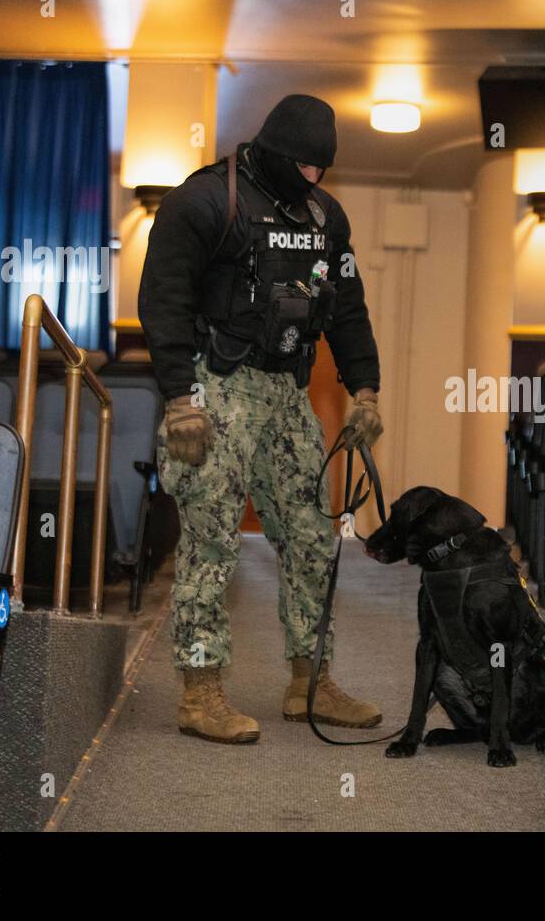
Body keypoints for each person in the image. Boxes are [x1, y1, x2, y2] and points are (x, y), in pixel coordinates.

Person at [138, 94, 384, 744]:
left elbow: (348, 307)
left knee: (312, 537)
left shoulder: (326, 217)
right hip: (213, 388)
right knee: (211, 539)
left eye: (322, 169)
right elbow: (162, 301)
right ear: (272, 151)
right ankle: (200, 692)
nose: (313, 179)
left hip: (286, 395)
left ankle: (311, 681)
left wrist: (365, 390)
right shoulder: (203, 201)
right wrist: (179, 399)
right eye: (302, 166)